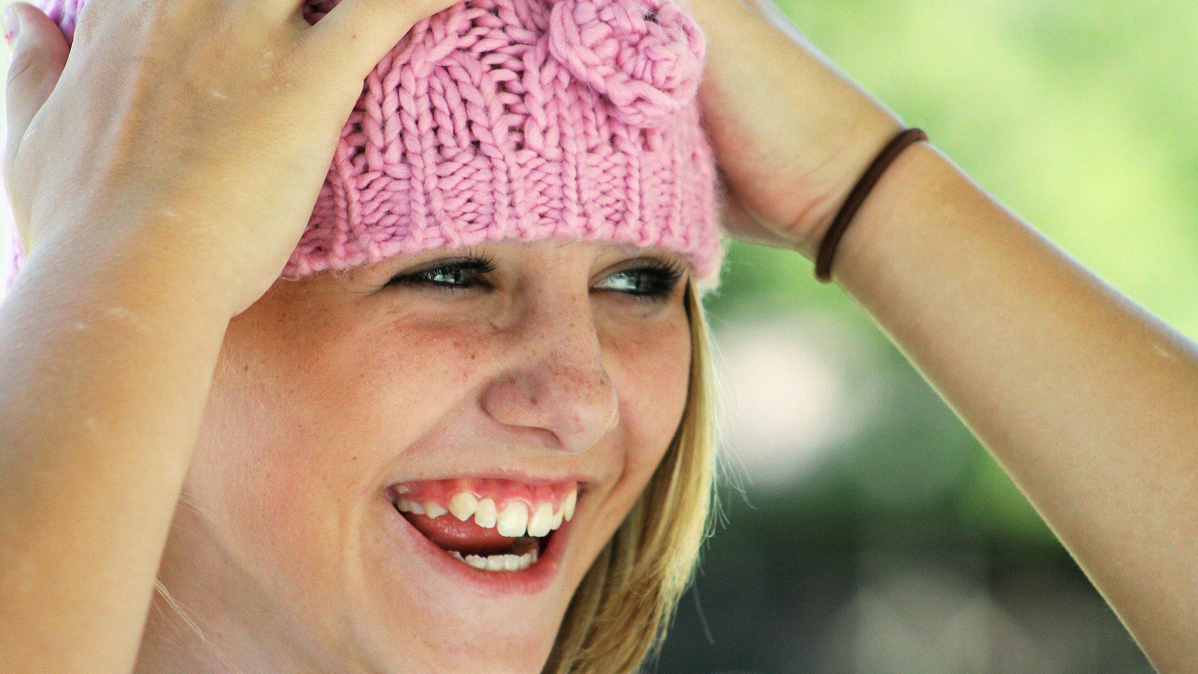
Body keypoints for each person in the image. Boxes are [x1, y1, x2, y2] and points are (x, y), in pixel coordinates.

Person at [0, 0, 1193, 673]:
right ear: (164, 301)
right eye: (450, 268)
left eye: (638, 279)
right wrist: (125, 246)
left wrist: (853, 185)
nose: (578, 399)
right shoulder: (125, 268)